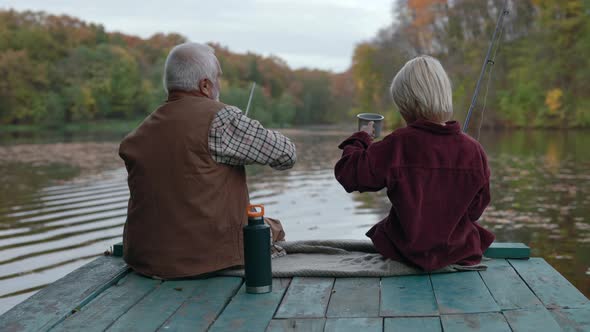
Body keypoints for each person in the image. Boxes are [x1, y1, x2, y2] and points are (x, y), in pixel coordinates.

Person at [119, 42, 296, 279]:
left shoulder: (139, 133)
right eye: (218, 79)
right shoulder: (220, 118)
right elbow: (286, 155)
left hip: (144, 260)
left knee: (265, 225)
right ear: (204, 85)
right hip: (205, 259)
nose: (219, 85)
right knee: (273, 227)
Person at [334, 55, 494, 271]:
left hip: (405, 252)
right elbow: (476, 208)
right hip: (459, 252)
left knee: (384, 232)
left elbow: (350, 174)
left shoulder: (398, 144)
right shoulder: (474, 150)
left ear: (405, 106)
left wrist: (361, 138)